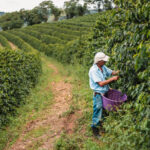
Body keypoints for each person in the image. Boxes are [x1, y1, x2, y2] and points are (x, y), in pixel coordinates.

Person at [88, 52, 119, 138]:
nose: (105, 62)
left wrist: (118, 72)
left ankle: (102, 126)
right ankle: (95, 131)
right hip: (98, 94)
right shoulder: (94, 70)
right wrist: (112, 79)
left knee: (104, 110)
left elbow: (111, 72)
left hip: (105, 93)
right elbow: (101, 83)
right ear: (99, 61)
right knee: (97, 111)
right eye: (103, 61)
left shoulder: (103, 67)